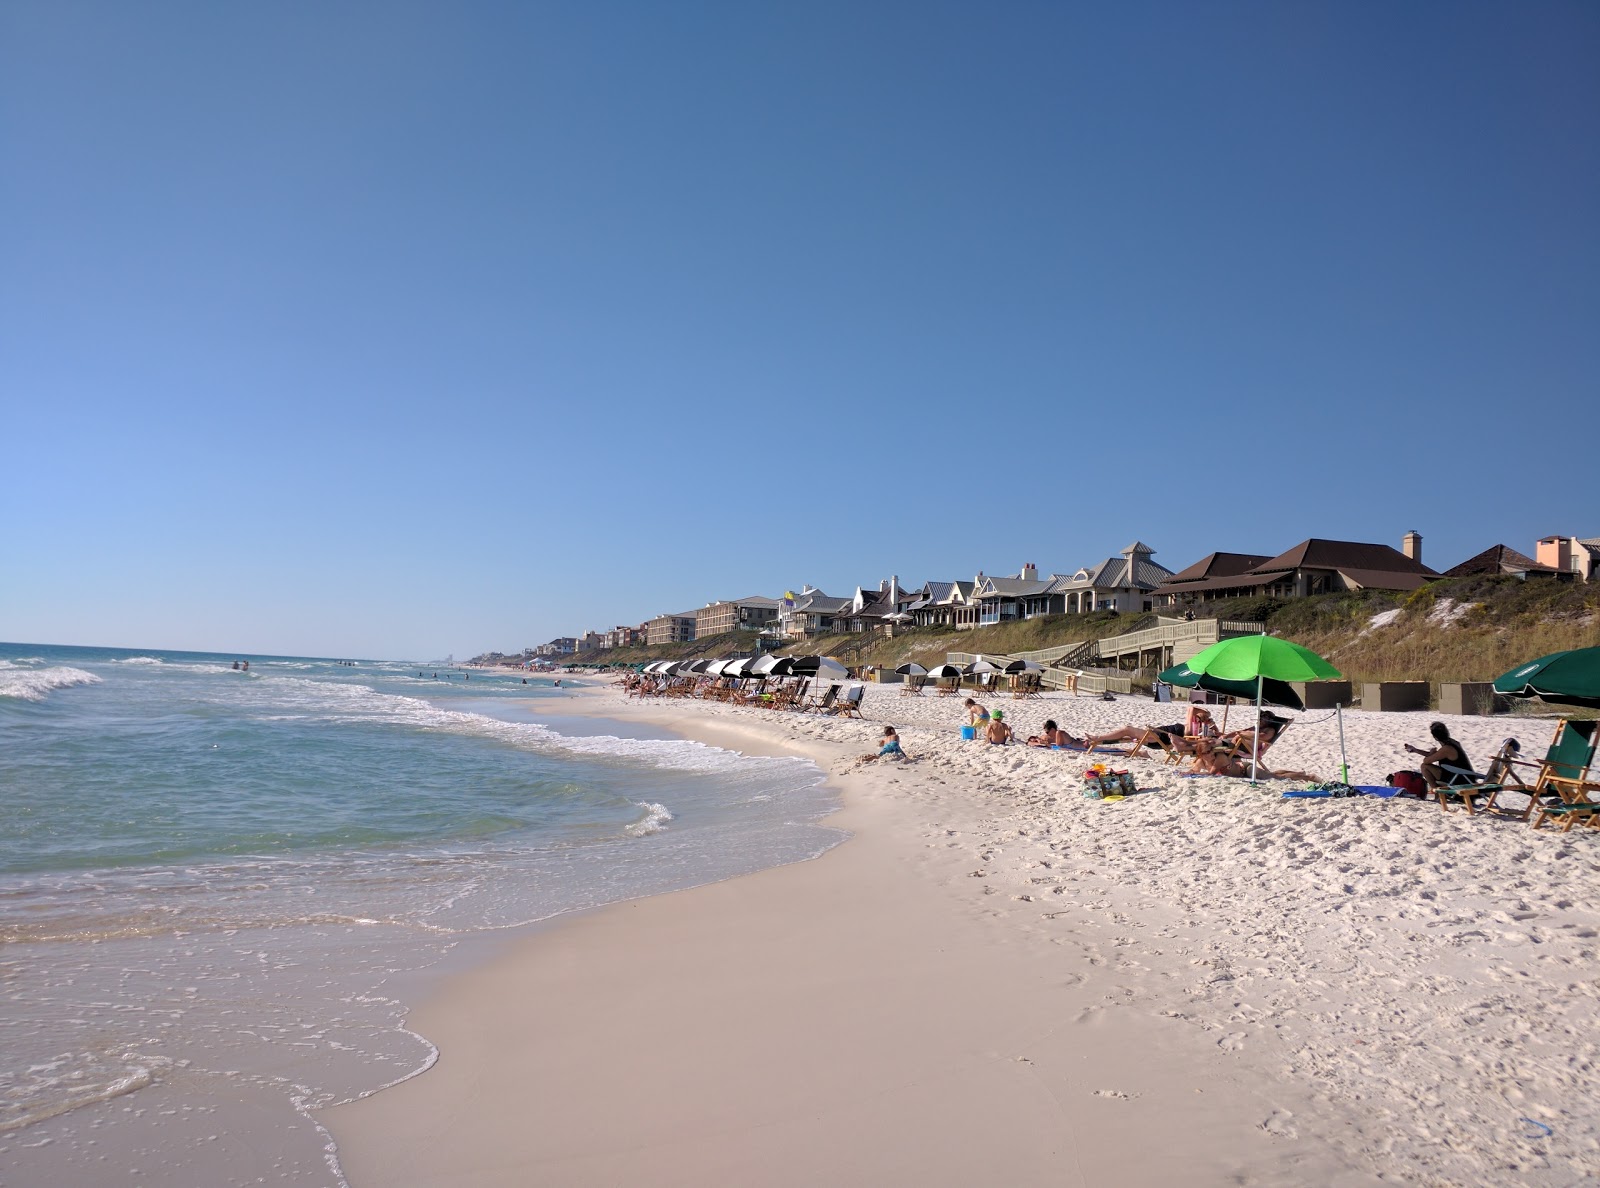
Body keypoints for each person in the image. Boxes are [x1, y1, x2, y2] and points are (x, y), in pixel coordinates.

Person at [1405, 722, 1473, 792]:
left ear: (1435, 737)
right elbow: (1435, 756)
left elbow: (1426, 761)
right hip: (1463, 776)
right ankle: (1439, 794)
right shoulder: (1452, 743)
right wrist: (1416, 750)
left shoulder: (1447, 749)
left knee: (1424, 767)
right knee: (1427, 766)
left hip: (1459, 780)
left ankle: (1438, 794)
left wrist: (1431, 753)